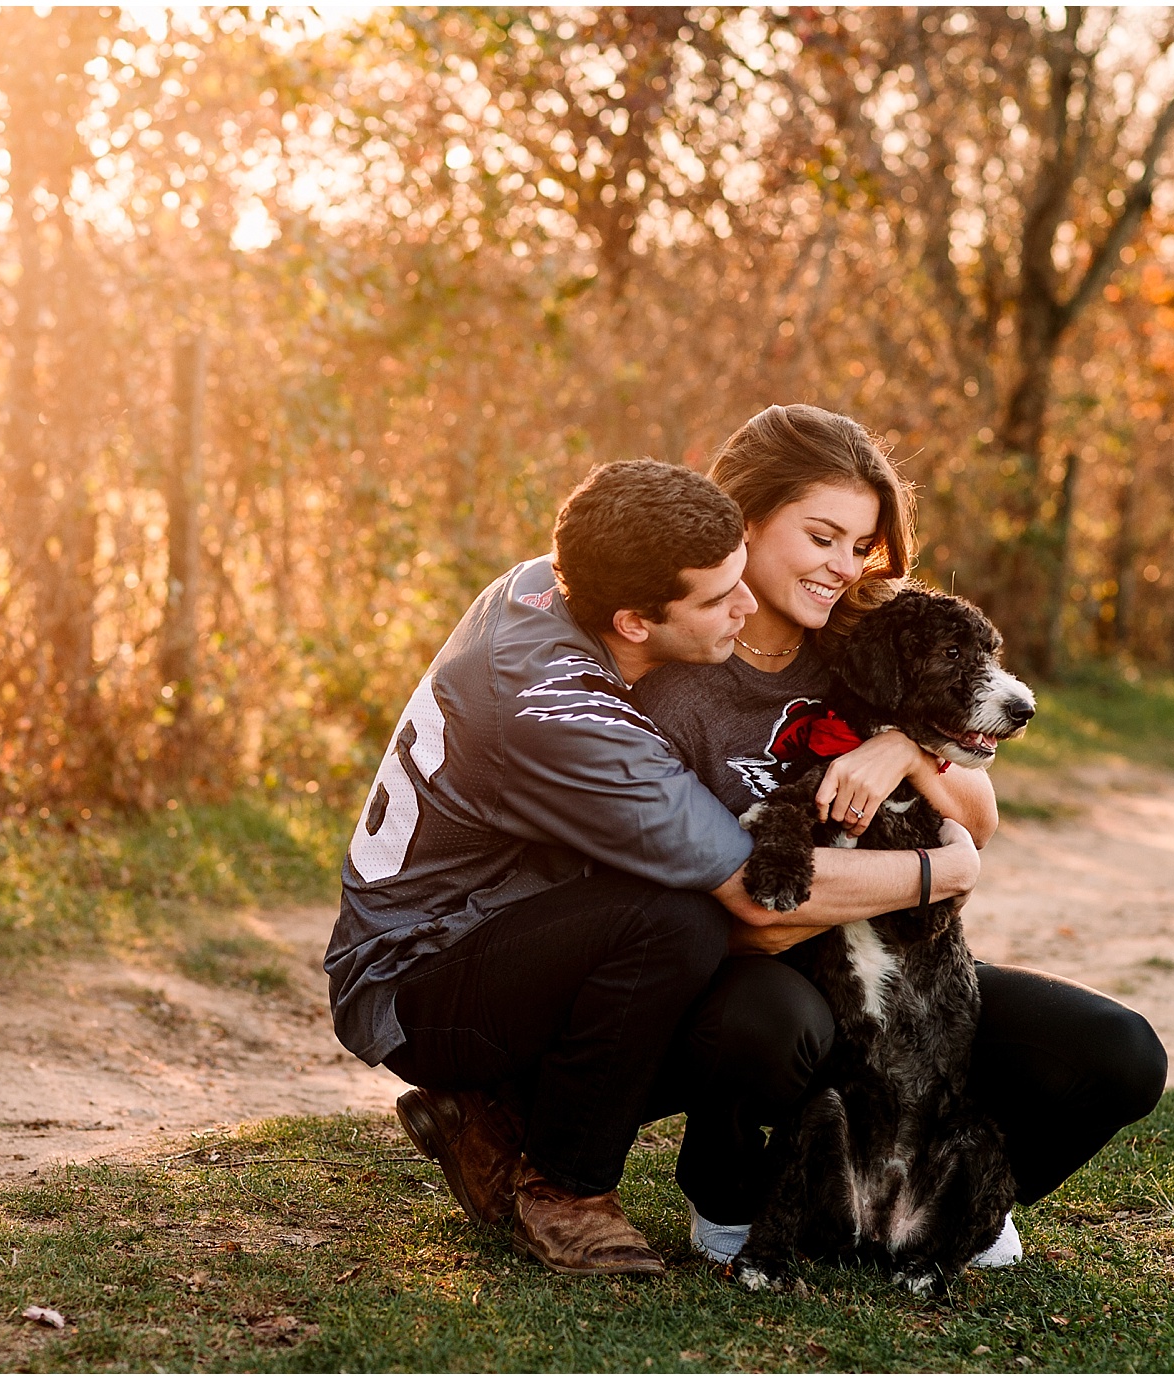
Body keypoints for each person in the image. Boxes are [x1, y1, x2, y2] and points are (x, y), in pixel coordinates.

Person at [325, 458, 982, 1276]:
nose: (744, 609)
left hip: (508, 927)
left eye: (740, 578)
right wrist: (940, 874)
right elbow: (758, 892)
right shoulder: (571, 721)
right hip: (416, 976)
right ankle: (566, 1190)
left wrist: (900, 744)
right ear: (636, 620)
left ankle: (498, 1112)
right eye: (717, 600)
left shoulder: (550, 578)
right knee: (678, 920)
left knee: (679, 929)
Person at [635, 403, 1168, 1267]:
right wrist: (936, 874)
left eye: (859, 546)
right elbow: (749, 921)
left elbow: (981, 819)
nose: (841, 568)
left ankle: (942, 1207)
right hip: (760, 982)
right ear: (745, 520)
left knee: (1119, 1054)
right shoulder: (681, 678)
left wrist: (899, 747)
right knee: (770, 1020)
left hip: (895, 962)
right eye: (820, 537)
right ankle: (737, 1195)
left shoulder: (863, 636)